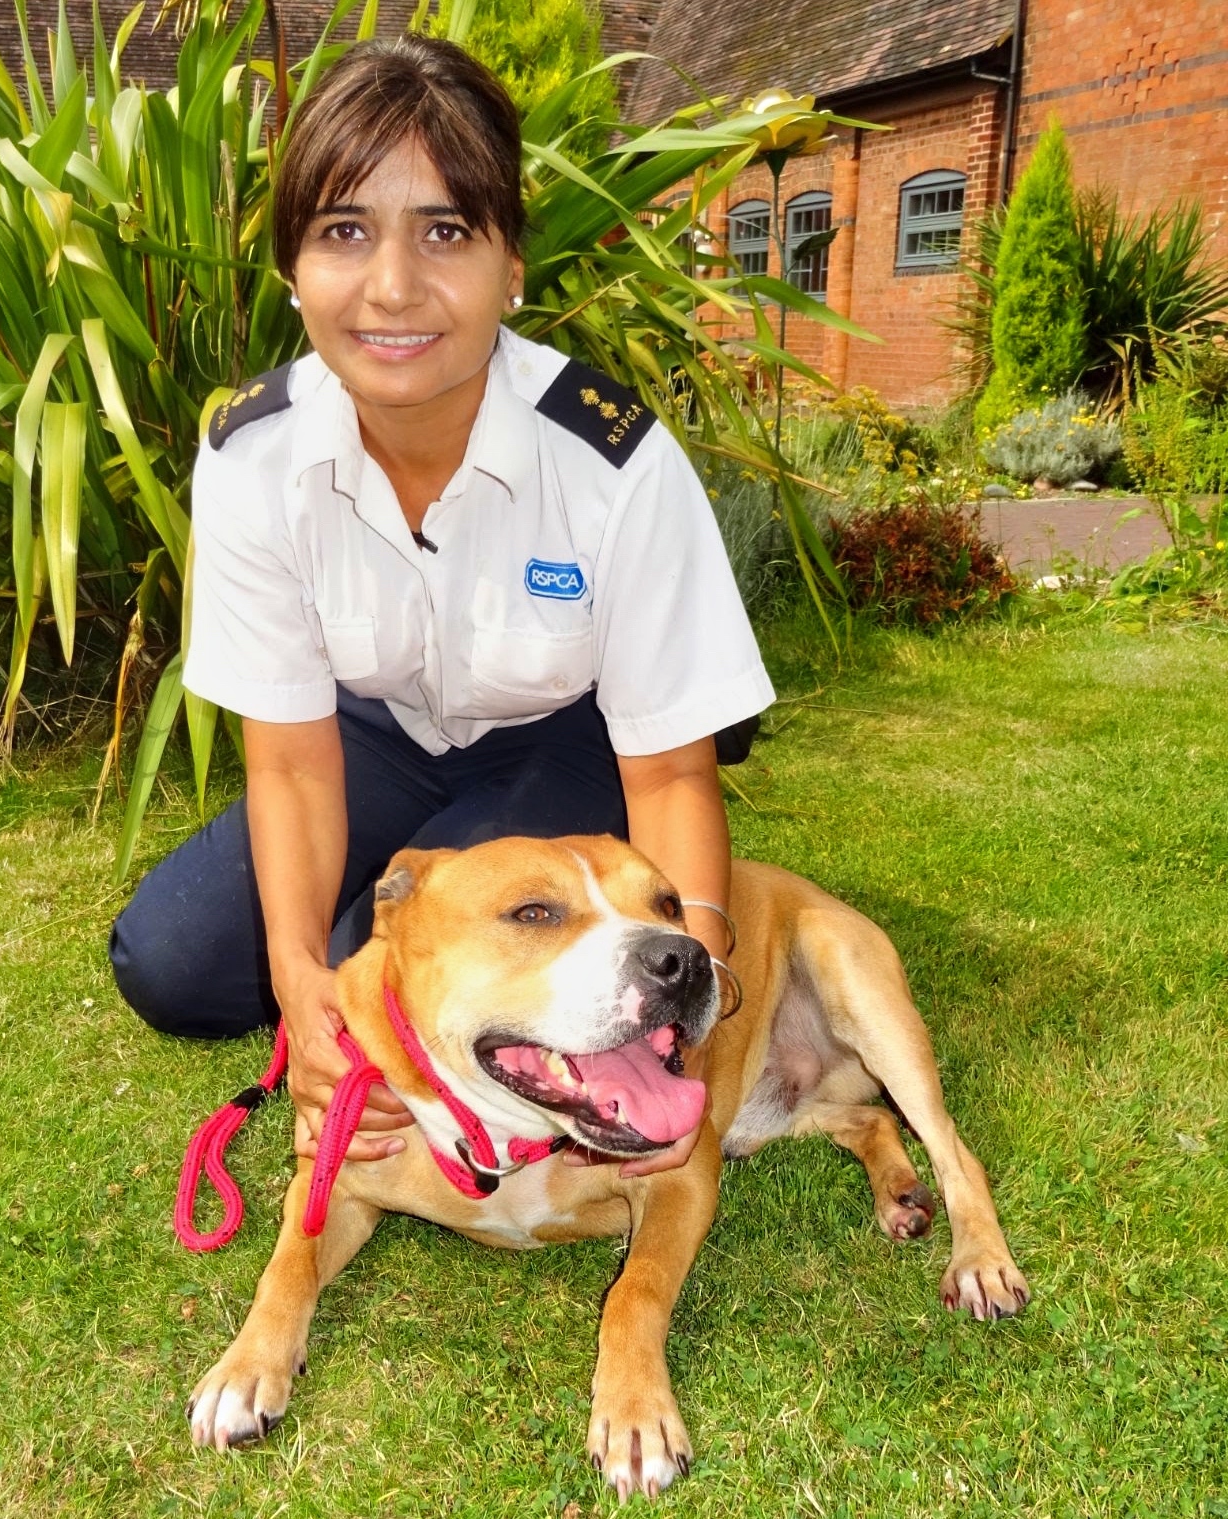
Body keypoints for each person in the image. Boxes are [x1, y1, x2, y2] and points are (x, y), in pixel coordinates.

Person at [108, 34, 775, 1180]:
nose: (394, 287)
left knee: (436, 968)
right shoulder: (252, 459)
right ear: (293, 267)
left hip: (569, 746)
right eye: (345, 231)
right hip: (373, 742)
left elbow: (669, 774)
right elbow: (291, 765)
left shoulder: (613, 463)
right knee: (173, 961)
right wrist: (298, 985)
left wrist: (692, 994)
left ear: (513, 263)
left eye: (447, 231)